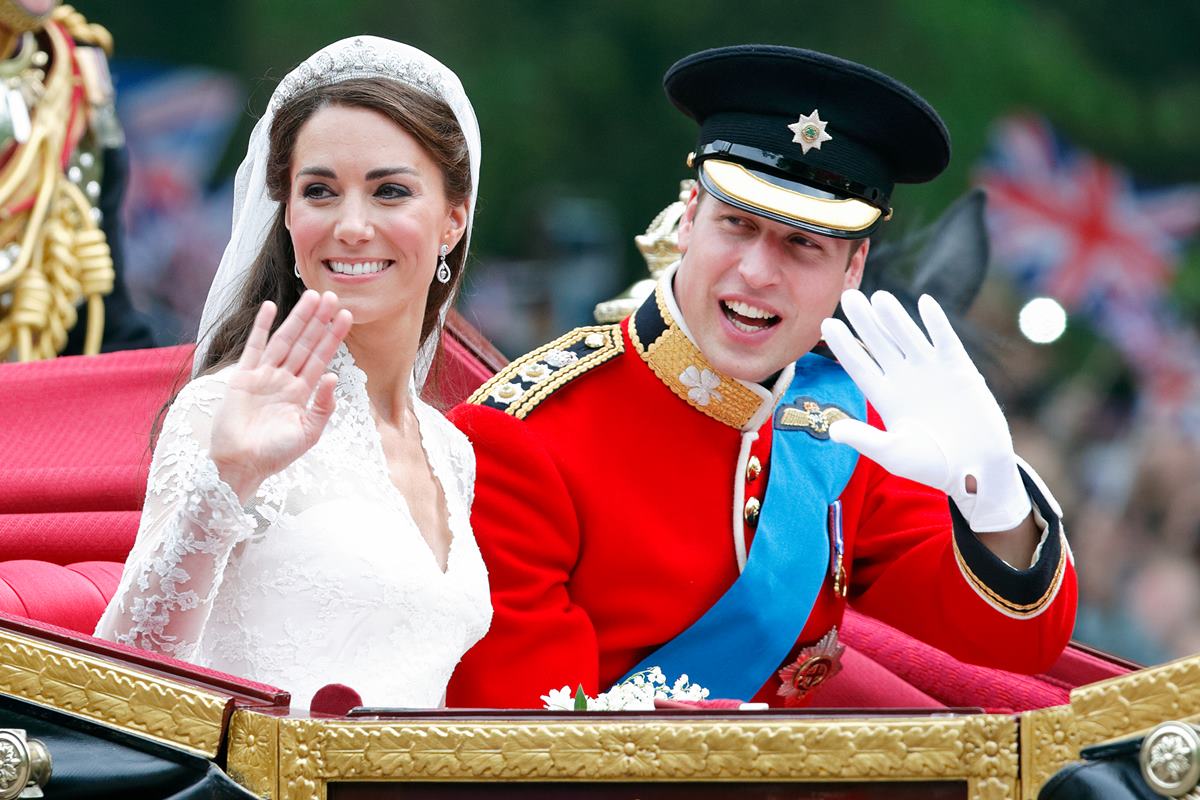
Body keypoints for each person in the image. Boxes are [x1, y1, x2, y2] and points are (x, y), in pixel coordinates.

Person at [446, 45, 1076, 709]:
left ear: (854, 266)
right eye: (737, 224)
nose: (756, 271)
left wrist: (995, 503)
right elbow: (523, 752)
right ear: (689, 217)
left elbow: (1014, 646)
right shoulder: (522, 437)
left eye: (803, 244)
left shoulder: (842, 426)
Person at [95, 35, 491, 709]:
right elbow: (123, 689)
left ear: (453, 219)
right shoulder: (221, 411)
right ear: (287, 218)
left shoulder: (451, 451)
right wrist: (229, 480)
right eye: (320, 191)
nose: (353, 225)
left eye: (390, 191)